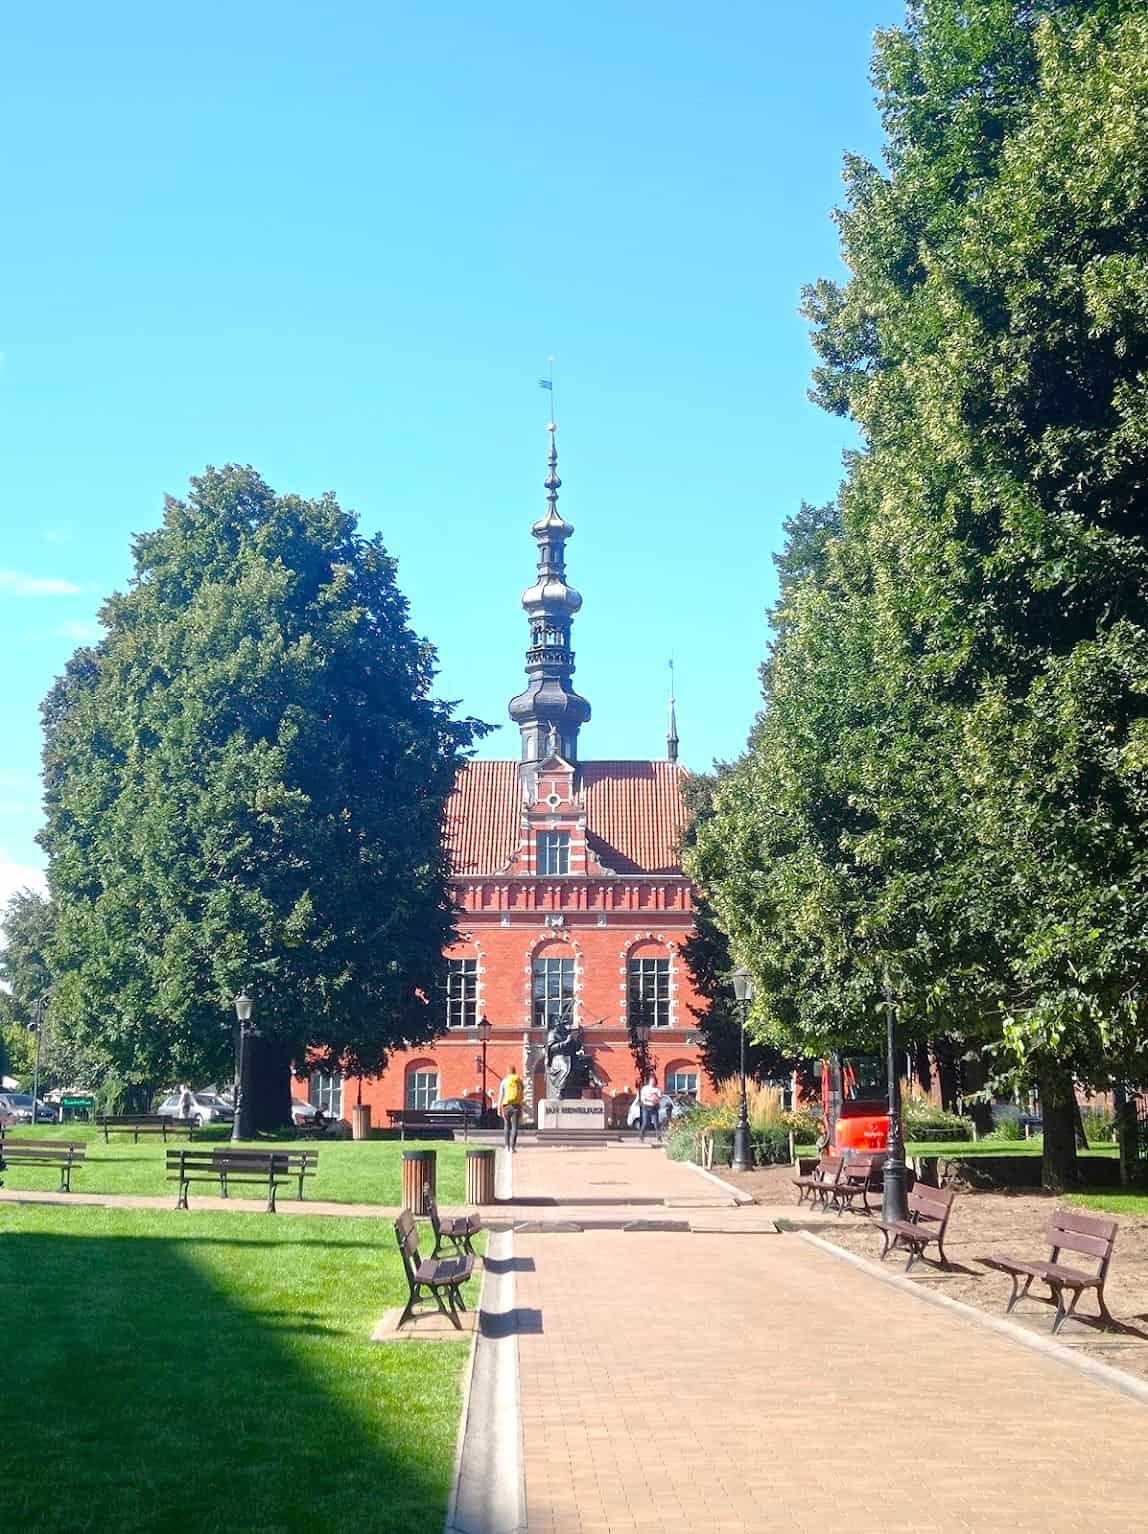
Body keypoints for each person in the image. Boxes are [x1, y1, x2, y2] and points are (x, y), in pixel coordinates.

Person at [498, 1065, 524, 1153]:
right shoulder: (519, 1081)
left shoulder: (504, 1081)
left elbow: (501, 1095)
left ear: (507, 1072)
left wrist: (499, 1107)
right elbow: (522, 1094)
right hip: (516, 1106)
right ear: (515, 1071)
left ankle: (506, 1147)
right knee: (514, 1127)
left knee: (506, 1125)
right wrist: (521, 1105)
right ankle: (512, 1148)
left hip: (506, 1106)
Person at [638, 1077, 662, 1143]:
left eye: (654, 1081)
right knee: (645, 1123)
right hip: (646, 1107)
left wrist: (656, 1099)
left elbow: (659, 1098)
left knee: (656, 1123)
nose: (652, 1082)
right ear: (649, 1081)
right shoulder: (645, 1088)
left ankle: (659, 1138)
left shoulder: (657, 1090)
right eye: (651, 1080)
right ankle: (641, 1137)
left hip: (654, 1108)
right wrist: (651, 1099)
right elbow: (643, 1099)